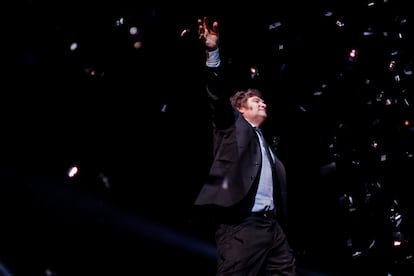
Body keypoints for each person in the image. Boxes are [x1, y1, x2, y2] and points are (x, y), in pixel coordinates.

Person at [193, 16, 298, 276]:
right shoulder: (232, 126)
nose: (263, 103)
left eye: (263, 101)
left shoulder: (267, 147)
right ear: (240, 108)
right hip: (242, 226)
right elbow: (216, 97)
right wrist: (212, 53)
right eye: (255, 100)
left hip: (272, 229)